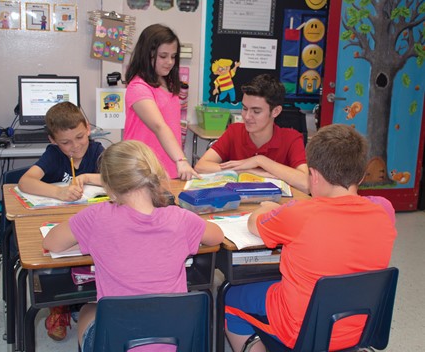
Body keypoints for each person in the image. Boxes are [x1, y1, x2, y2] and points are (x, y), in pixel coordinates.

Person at [224, 124, 397, 352]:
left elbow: (252, 223)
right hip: (360, 327)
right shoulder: (384, 210)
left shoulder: (299, 215)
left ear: (313, 175)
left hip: (300, 330)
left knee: (229, 295)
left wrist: (267, 208)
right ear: (362, 175)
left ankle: (256, 346)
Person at [42, 140, 224, 351]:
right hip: (175, 342)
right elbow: (217, 236)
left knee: (87, 311)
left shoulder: (96, 217)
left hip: (117, 344)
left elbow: (51, 243)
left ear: (108, 186)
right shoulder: (180, 219)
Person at [18, 101, 104, 341]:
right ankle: (60, 306)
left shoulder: (98, 151)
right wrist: (59, 192)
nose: (75, 146)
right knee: (52, 256)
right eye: (66, 142)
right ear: (53, 140)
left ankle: (85, 299)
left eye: (80, 137)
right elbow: (26, 182)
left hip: (88, 223)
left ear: (87, 127)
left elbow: (117, 180)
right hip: (56, 224)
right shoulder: (54, 155)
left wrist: (87, 177)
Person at [194, 74, 309, 194]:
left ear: (275, 111)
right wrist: (246, 172)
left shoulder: (291, 138)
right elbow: (201, 167)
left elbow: (306, 184)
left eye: (256, 111)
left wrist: (260, 160)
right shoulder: (235, 131)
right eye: (244, 108)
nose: (247, 117)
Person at [124, 23, 198, 181]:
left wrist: (178, 161)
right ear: (147, 54)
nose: (170, 62)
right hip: (142, 170)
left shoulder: (168, 85)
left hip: (168, 168)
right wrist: (181, 159)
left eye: (173, 56)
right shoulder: (138, 87)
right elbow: (159, 126)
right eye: (163, 56)